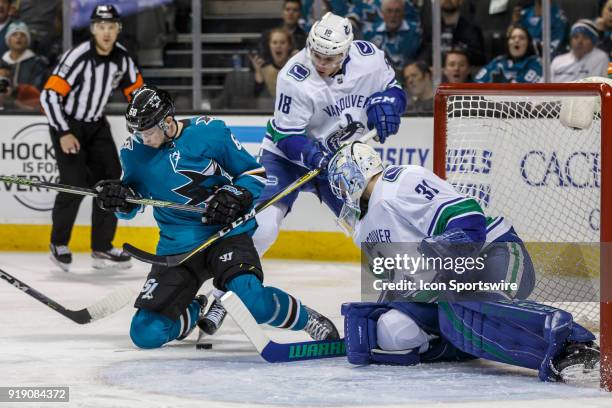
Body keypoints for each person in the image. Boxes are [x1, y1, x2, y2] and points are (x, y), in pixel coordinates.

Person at [328, 141, 600, 382]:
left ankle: (573, 344)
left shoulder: (399, 181)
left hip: (493, 252)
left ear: (357, 170)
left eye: (340, 182)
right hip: (447, 288)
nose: (340, 192)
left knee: (468, 310)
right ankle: (460, 342)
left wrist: (444, 253)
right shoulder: (363, 230)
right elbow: (398, 281)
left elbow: (470, 219)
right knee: (394, 332)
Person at [94, 85, 340, 349]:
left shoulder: (210, 132)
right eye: (138, 132)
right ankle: (193, 311)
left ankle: (307, 319)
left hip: (227, 235)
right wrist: (119, 199)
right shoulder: (133, 152)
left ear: (167, 122)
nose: (144, 138)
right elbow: (133, 204)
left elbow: (254, 174)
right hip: (178, 246)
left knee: (253, 303)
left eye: (149, 131)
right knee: (145, 333)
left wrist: (235, 194)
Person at [252, 12, 406, 256]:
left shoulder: (369, 59)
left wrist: (389, 104)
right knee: (262, 226)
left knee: (372, 227)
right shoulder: (293, 76)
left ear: (346, 52)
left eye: (330, 58)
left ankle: (404, 284)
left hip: (340, 159)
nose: (321, 63)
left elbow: (393, 89)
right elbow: (287, 136)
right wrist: (316, 157)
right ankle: (221, 288)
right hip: (285, 157)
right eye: (316, 55)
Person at [40, 4, 143, 271]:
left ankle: (102, 247)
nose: (106, 32)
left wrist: (148, 122)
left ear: (118, 29)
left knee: (111, 183)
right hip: (68, 124)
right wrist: (63, 132)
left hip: (96, 125)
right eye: (101, 27)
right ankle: (58, 243)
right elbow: (49, 95)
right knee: (73, 184)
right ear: (92, 29)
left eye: (111, 27)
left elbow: (138, 94)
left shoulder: (122, 58)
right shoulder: (78, 56)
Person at [419, 0, 485, 66]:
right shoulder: (430, 29)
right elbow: (423, 56)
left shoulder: (473, 30)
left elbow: (478, 58)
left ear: (461, 1)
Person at [362, 0, 422, 71]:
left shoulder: (415, 32)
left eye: (397, 11)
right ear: (382, 13)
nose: (393, 15)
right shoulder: (370, 33)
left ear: (403, 12)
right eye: (389, 11)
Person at [475, 25, 542, 83]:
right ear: (507, 43)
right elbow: (477, 83)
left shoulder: (536, 63)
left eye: (522, 38)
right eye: (513, 38)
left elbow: (520, 90)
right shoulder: (498, 62)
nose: (516, 40)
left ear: (529, 44)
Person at [251, 28, 296, 99]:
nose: (278, 46)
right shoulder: (263, 70)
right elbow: (257, 97)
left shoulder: (297, 69)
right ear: (269, 46)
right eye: (274, 42)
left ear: (289, 46)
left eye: (282, 42)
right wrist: (258, 72)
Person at [2, 21, 47, 90]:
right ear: (8, 40)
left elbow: (37, 90)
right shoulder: (2, 63)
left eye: (23, 35)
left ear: (27, 40)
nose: (19, 37)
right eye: (14, 34)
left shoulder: (37, 64)